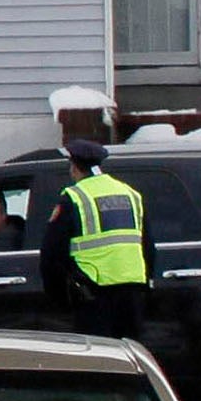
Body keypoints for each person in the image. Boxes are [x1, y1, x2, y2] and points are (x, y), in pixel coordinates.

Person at [37, 138, 152, 341]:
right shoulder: (130, 194)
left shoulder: (74, 197)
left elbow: (51, 253)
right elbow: (148, 248)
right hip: (132, 294)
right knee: (130, 358)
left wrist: (59, 299)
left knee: (99, 359)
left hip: (94, 294)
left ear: (74, 167)